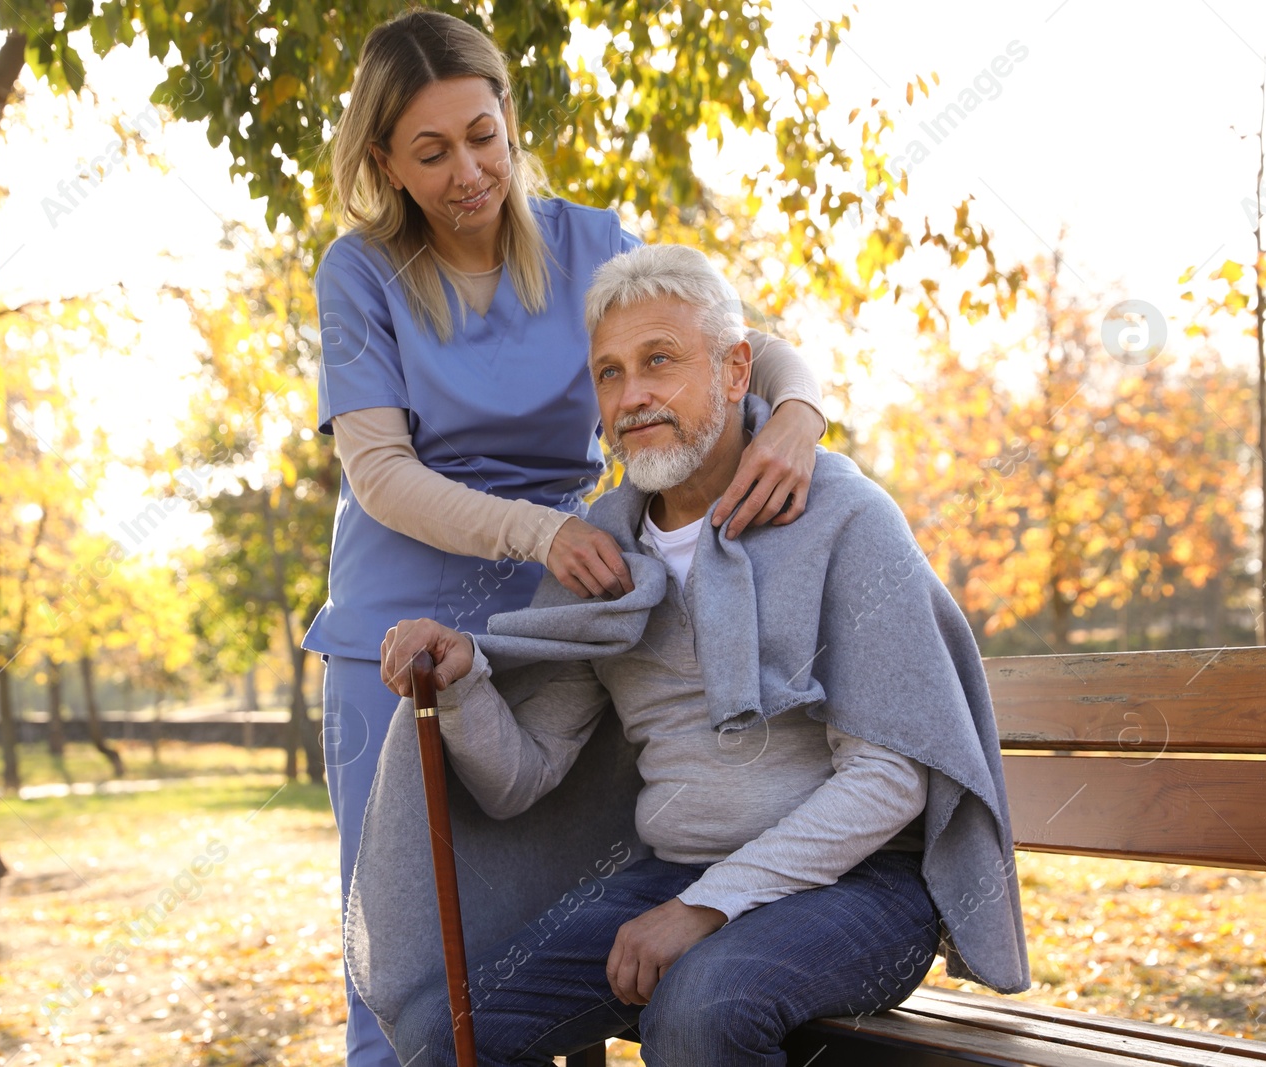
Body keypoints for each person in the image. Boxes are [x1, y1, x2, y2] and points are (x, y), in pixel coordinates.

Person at [307, 12, 832, 1065]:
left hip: (564, 625)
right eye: (431, 151)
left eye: (483, 135)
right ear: (384, 163)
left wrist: (797, 414)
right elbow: (378, 473)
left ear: (509, 120)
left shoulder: (594, 242)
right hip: (396, 640)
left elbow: (742, 343)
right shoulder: (359, 273)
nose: (469, 171)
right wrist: (543, 529)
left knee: (559, 926)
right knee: (415, 957)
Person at [360, 243, 1029, 1066]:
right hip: (671, 873)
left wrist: (708, 905)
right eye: (609, 373)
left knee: (698, 1007)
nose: (632, 396)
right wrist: (462, 681)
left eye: (659, 361)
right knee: (445, 1031)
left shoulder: (845, 517)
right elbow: (521, 778)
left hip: (863, 888)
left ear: (736, 370)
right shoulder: (604, 547)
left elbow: (890, 778)